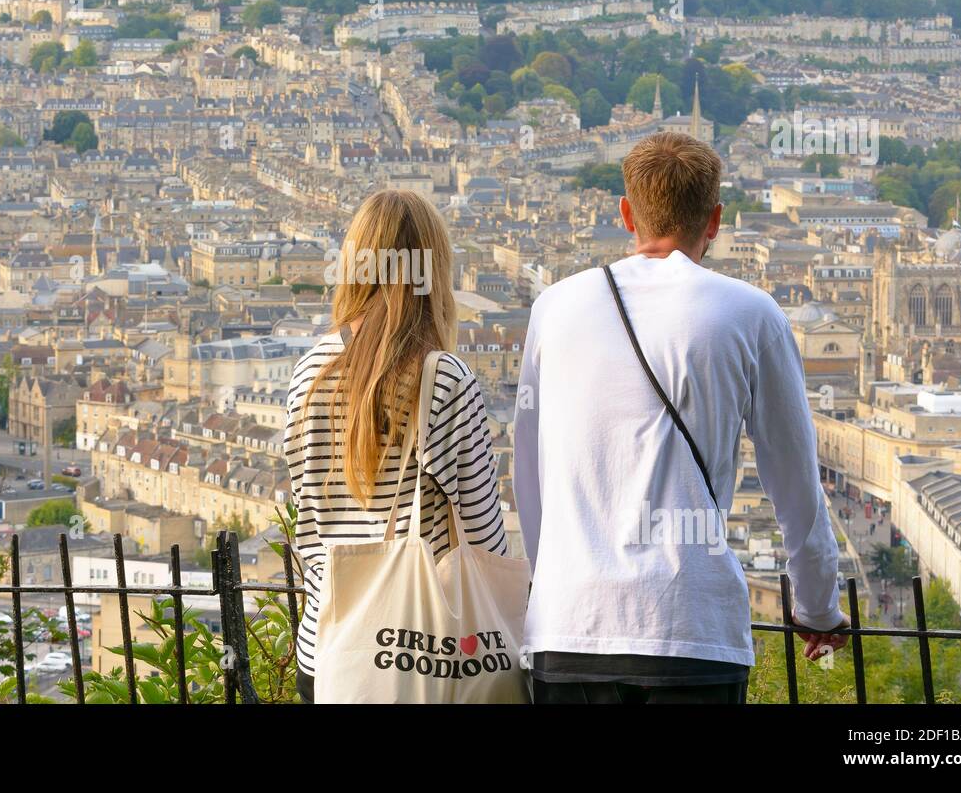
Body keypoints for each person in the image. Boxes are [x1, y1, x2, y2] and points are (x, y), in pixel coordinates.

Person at [513, 132, 848, 704]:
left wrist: (553, 585)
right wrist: (817, 605)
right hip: (691, 629)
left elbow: (528, 474)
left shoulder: (554, 307)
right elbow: (795, 479)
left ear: (626, 213)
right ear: (715, 219)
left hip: (570, 626)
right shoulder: (751, 313)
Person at [284, 189, 509, 703]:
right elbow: (485, 543)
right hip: (422, 655)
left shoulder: (307, 374)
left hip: (328, 652)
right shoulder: (444, 380)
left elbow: (310, 525)